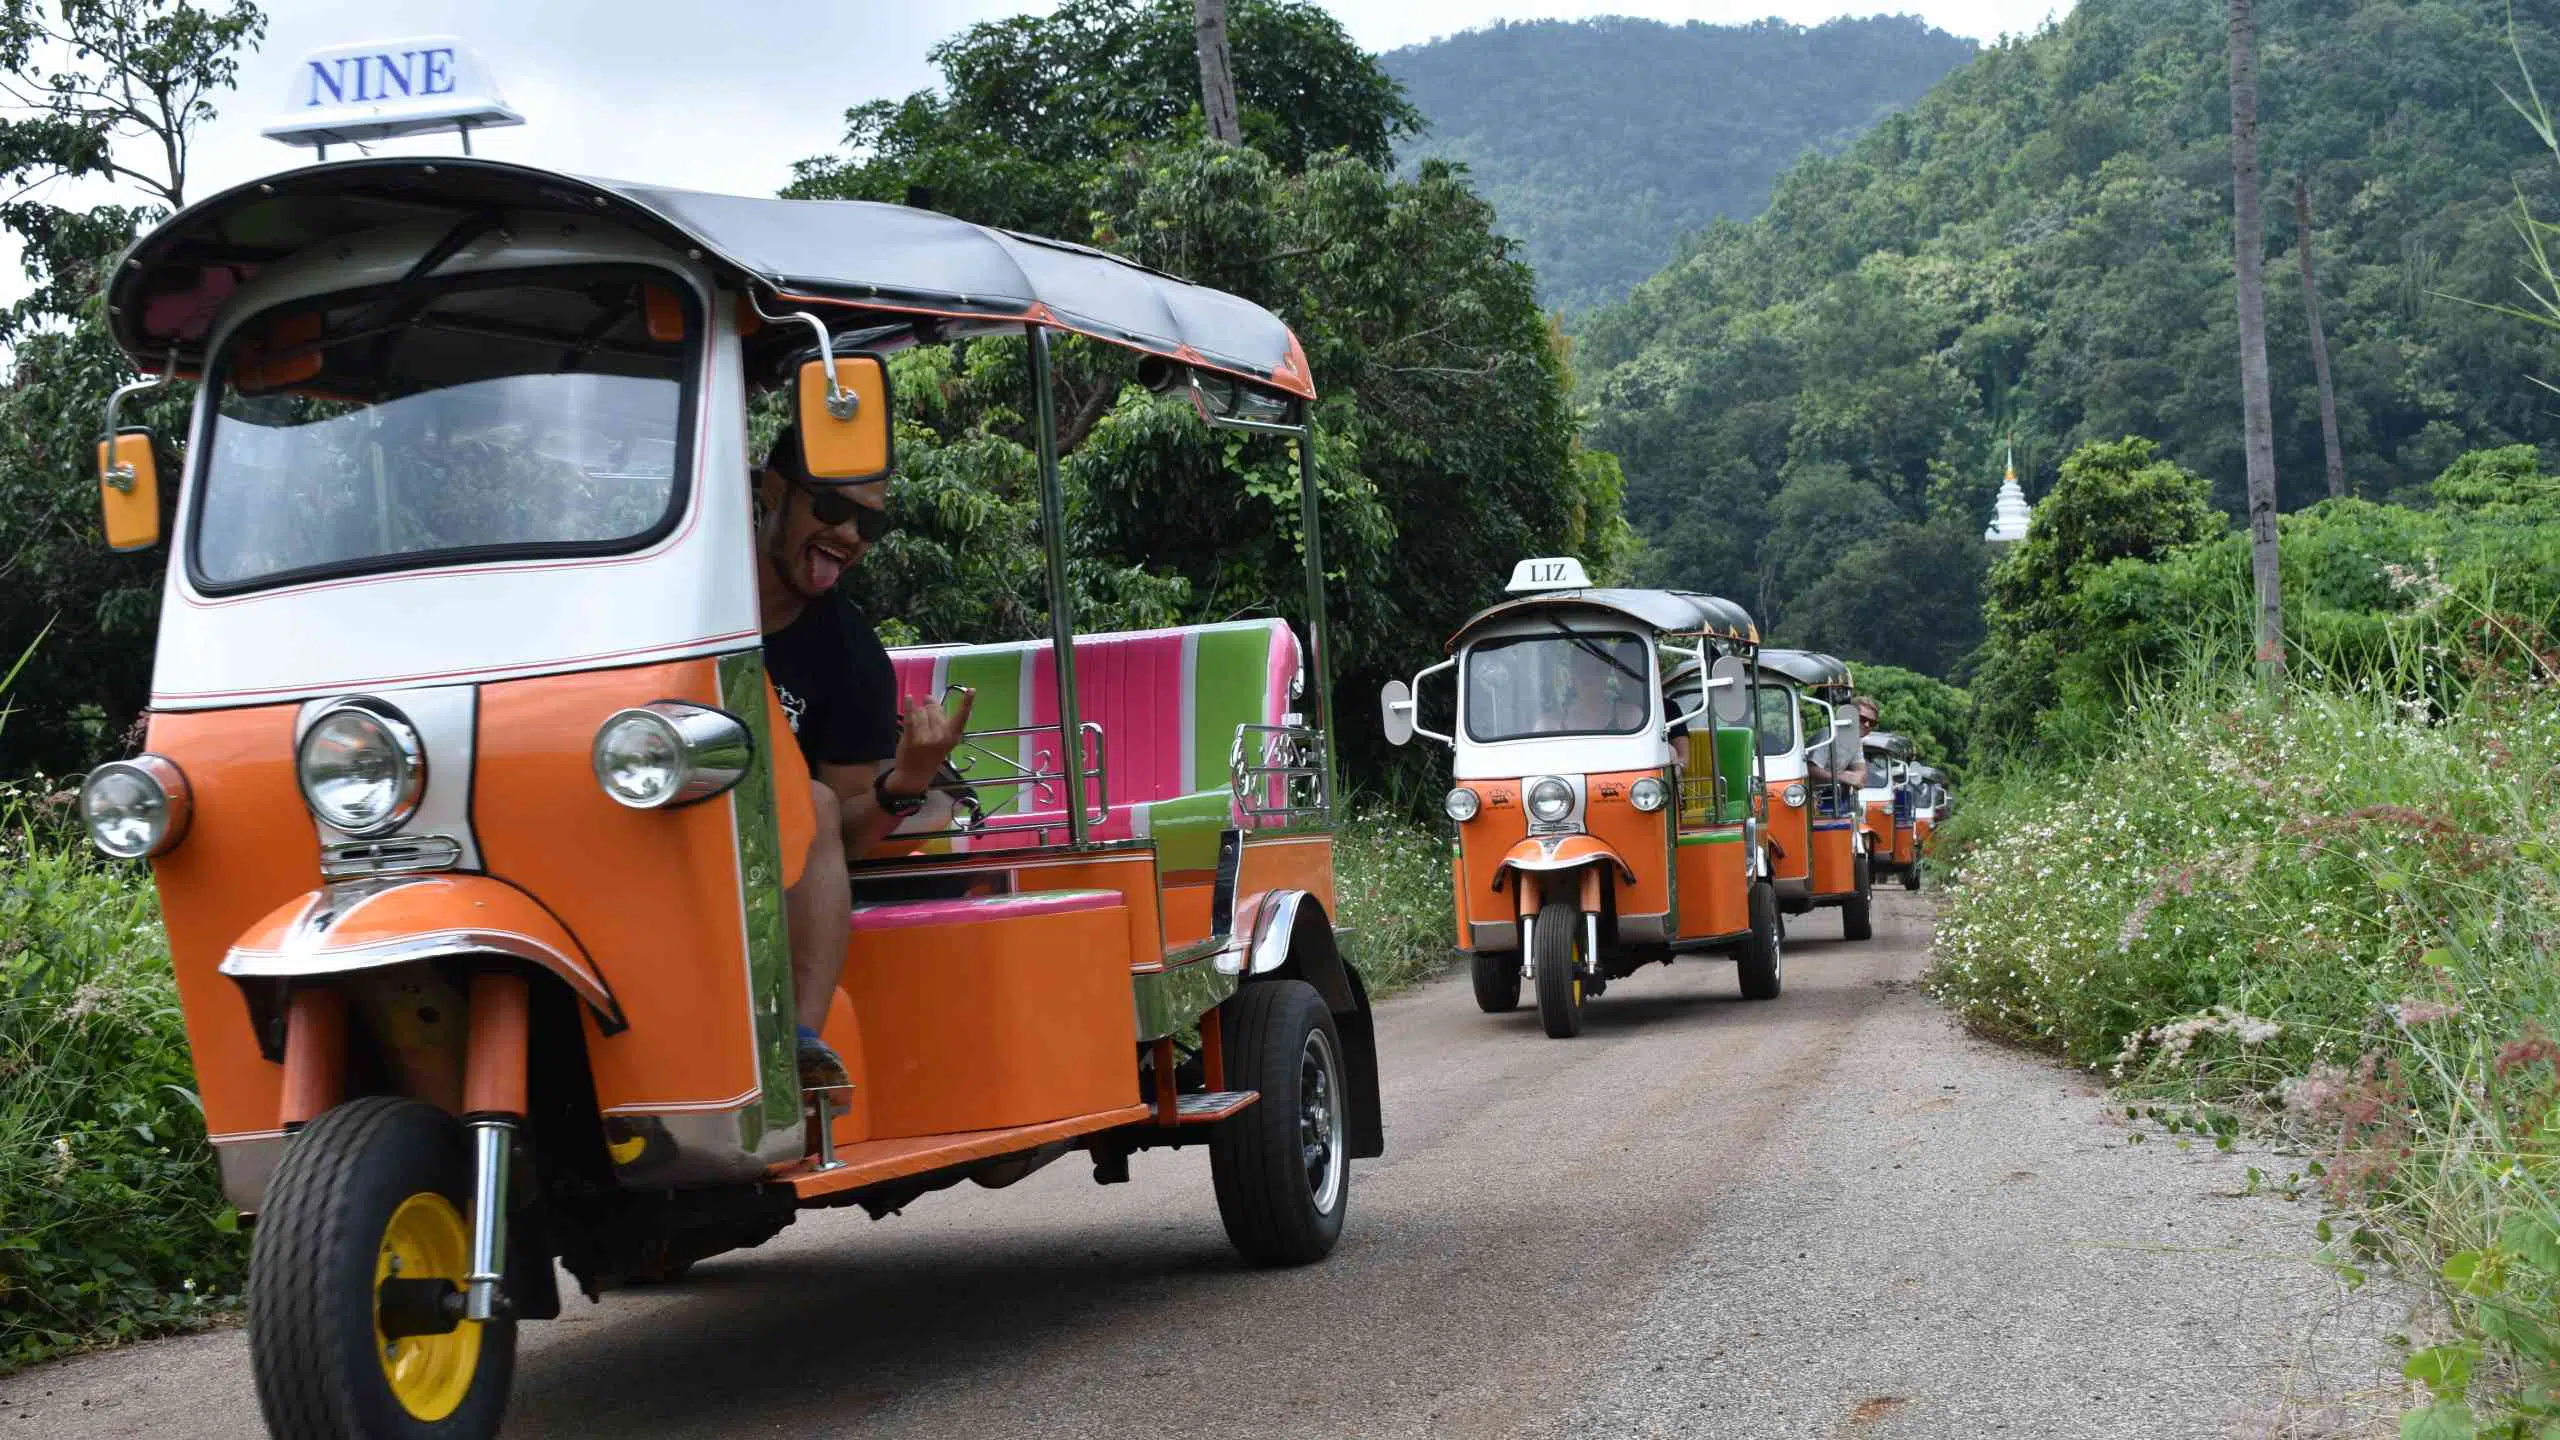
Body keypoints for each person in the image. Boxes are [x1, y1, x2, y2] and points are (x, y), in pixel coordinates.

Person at [755, 421, 973, 1088]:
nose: (849, 536)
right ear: (771, 491)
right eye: (830, 508)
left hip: (762, 857)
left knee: (812, 801)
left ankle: (797, 1056)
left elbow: (845, 832)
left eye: (868, 526)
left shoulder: (849, 655)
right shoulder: (670, 583)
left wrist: (906, 779)